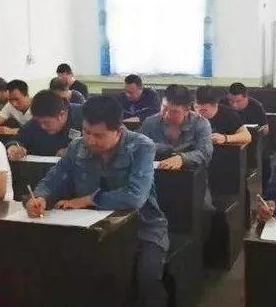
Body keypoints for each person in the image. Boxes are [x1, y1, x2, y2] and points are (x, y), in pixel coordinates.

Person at [24, 96, 168, 307]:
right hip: (90, 228)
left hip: (143, 226)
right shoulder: (77, 146)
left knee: (147, 277)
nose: (90, 141)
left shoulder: (141, 146)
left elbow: (135, 196)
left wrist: (89, 199)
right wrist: (40, 197)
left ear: (118, 130)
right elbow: (53, 178)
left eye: (99, 135)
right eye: (86, 132)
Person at [140, 85, 213, 171]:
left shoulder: (200, 123)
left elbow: (205, 153)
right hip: (156, 172)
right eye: (164, 107)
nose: (167, 114)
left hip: (190, 173)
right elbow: (140, 149)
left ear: (187, 110)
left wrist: (182, 159)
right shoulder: (150, 123)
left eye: (174, 111)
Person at [6, 90, 82, 160]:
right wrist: (13, 147)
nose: (42, 126)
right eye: (39, 123)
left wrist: (74, 151)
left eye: (46, 122)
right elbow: (17, 139)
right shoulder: (35, 123)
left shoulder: (83, 117)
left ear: (61, 115)